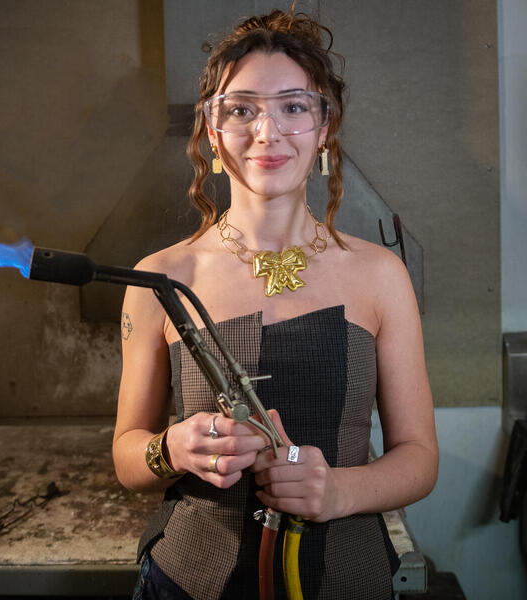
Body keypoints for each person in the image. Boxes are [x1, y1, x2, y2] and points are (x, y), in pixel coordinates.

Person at [112, 9, 438, 600]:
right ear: (212, 131)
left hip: (345, 579)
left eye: (293, 106)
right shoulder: (159, 276)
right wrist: (173, 446)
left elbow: (418, 458)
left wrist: (337, 491)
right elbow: (127, 454)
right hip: (188, 581)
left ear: (324, 129)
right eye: (241, 109)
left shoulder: (381, 275)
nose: (267, 131)